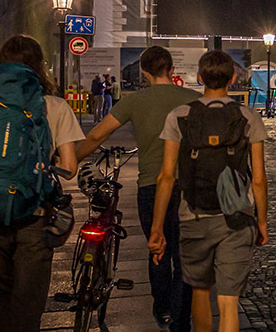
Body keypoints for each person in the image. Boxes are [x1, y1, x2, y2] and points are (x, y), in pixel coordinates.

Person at [77, 46, 199, 331]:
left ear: (144, 71)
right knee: (185, 256)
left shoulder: (136, 101)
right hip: (189, 189)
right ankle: (181, 320)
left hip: (151, 186)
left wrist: (73, 161)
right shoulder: (194, 99)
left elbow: (97, 134)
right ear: (171, 70)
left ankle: (162, 307)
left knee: (158, 248)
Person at [148, 51, 269, 332]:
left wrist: (157, 228)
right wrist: (261, 221)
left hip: (193, 216)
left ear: (200, 78)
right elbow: (260, 179)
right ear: (234, 79)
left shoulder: (180, 115)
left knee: (200, 293)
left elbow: (166, 177)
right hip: (237, 217)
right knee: (228, 302)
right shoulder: (247, 116)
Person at [0, 35, 82, 332]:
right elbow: (69, 168)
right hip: (34, 214)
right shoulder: (54, 106)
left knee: (4, 294)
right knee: (28, 305)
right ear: (39, 67)